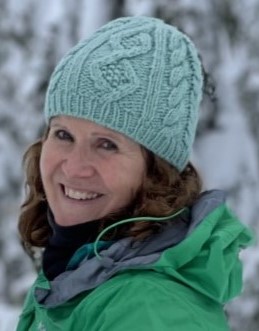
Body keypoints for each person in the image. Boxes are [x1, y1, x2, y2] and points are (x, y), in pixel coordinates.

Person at [16, 16, 253, 331]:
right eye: (63, 135)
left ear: (155, 171)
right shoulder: (74, 274)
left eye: (107, 145)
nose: (74, 167)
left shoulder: (148, 310)